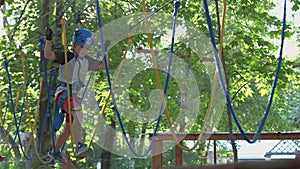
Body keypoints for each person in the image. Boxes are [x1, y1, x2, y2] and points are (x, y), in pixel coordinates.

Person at [44, 27, 108, 164]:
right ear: (74, 45)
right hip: (63, 93)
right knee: (78, 112)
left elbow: (103, 66)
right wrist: (48, 40)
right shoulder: (67, 57)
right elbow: (48, 55)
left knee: (68, 130)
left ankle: (54, 151)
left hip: (74, 97)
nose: (84, 50)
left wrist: (105, 50)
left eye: (87, 48)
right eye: (82, 47)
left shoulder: (87, 61)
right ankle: (79, 145)